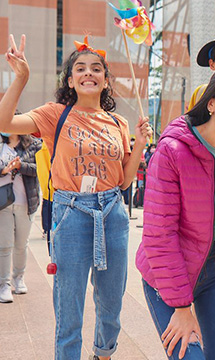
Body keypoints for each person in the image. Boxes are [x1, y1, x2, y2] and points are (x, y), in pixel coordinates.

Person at [0, 34, 152, 360]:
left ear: (106, 81)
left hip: (112, 212)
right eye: (80, 68)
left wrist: (139, 143)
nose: (88, 73)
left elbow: (125, 181)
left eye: (96, 69)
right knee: (69, 304)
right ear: (70, 80)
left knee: (111, 302)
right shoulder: (56, 114)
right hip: (71, 215)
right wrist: (21, 77)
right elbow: (4, 121)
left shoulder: (118, 122)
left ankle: (104, 353)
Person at [136, 63, 215, 360]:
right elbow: (159, 235)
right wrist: (182, 307)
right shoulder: (172, 150)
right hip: (168, 268)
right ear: (211, 102)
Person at [0, 132, 41, 303]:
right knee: (4, 245)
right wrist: (4, 170)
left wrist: (20, 166)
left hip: (26, 202)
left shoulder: (34, 145)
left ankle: (19, 277)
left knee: (21, 244)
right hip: (3, 203)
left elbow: (40, 168)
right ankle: (4, 284)